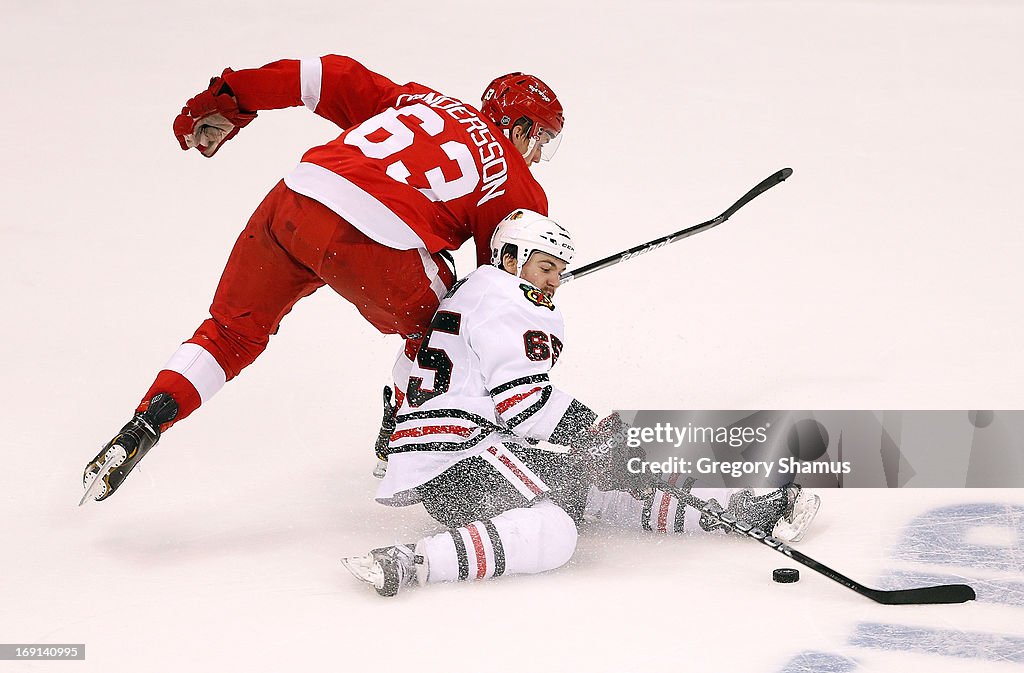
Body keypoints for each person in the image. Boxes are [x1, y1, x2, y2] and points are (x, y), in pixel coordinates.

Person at [80, 56, 565, 504]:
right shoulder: (519, 185)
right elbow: (496, 292)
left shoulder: (420, 100)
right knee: (451, 323)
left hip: (296, 198)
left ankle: (149, 419)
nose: (540, 156)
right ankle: (410, 436)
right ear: (517, 125)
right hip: (375, 241)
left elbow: (320, 75)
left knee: (231, 331)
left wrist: (229, 98)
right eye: (541, 138)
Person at [341, 210, 821, 597]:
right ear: (511, 259)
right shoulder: (508, 301)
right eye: (545, 266)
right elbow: (525, 403)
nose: (554, 281)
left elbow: (409, 380)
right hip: (458, 458)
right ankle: (414, 561)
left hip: (458, 455)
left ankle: (742, 512)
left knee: (596, 482)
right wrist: (597, 433)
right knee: (555, 533)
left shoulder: (470, 296)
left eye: (560, 271)